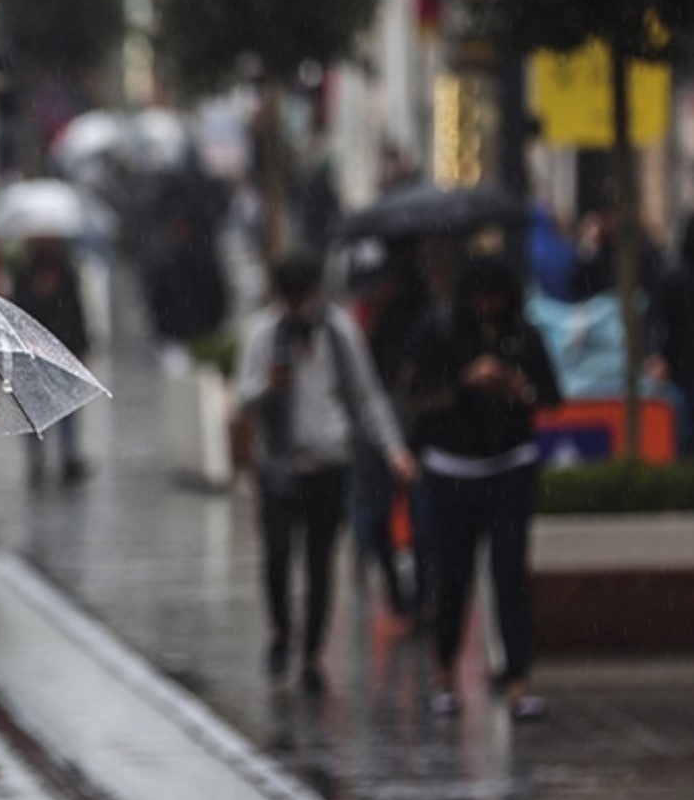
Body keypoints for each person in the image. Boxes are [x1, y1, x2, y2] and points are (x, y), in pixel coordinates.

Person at [236, 257, 417, 693]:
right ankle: (281, 632)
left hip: (329, 466)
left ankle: (312, 654)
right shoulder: (264, 333)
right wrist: (267, 385)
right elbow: (242, 395)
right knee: (277, 558)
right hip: (279, 464)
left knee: (320, 563)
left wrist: (394, 449)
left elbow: (366, 393)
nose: (298, 308)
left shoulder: (339, 333)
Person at [408, 257, 562, 720]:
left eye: (496, 298)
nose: (487, 307)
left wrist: (519, 389)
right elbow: (416, 395)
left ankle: (518, 679)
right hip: (452, 468)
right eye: (480, 298)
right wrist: (465, 382)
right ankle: (444, 675)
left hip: (511, 465)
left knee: (510, 574)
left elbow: (552, 395)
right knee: (453, 576)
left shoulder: (524, 335)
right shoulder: (437, 332)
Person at [352, 241, 434, 625]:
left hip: (416, 427)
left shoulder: (428, 304)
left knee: (419, 519)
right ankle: (400, 593)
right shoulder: (376, 304)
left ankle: (420, 599)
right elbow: (361, 365)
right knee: (380, 516)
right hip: (381, 427)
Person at [10, 238, 94, 485]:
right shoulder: (24, 272)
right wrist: (38, 293)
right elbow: (19, 311)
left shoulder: (66, 269)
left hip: (62, 347)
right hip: (33, 350)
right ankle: (36, 460)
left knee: (67, 407)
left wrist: (81, 343)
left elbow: (75, 309)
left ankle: (69, 458)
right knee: (34, 407)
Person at [144, 211, 229, 375]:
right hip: (180, 336)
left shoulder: (198, 260)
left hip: (197, 335)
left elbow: (217, 294)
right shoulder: (167, 262)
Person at [646, 219, 694, 456]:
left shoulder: (672, 277)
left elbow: (653, 319)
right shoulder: (674, 279)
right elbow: (654, 320)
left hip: (679, 366)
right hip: (681, 368)